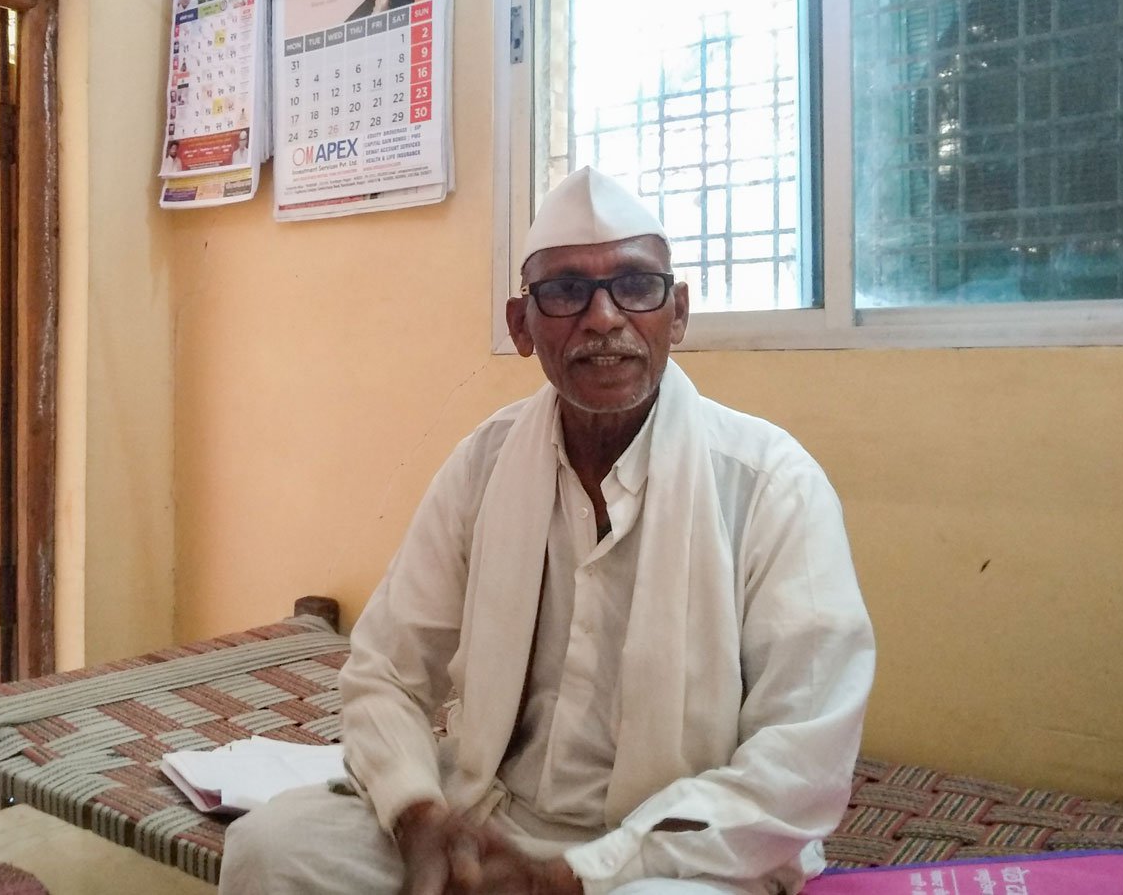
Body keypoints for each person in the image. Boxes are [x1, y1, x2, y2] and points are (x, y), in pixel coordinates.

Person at [218, 167, 875, 895]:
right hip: (492, 818)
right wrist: (419, 815)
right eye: (565, 291)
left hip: (666, 850)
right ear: (521, 325)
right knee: (270, 849)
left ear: (678, 312)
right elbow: (387, 671)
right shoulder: (486, 462)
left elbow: (802, 766)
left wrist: (572, 875)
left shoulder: (770, 483)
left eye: (636, 285)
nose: (603, 318)